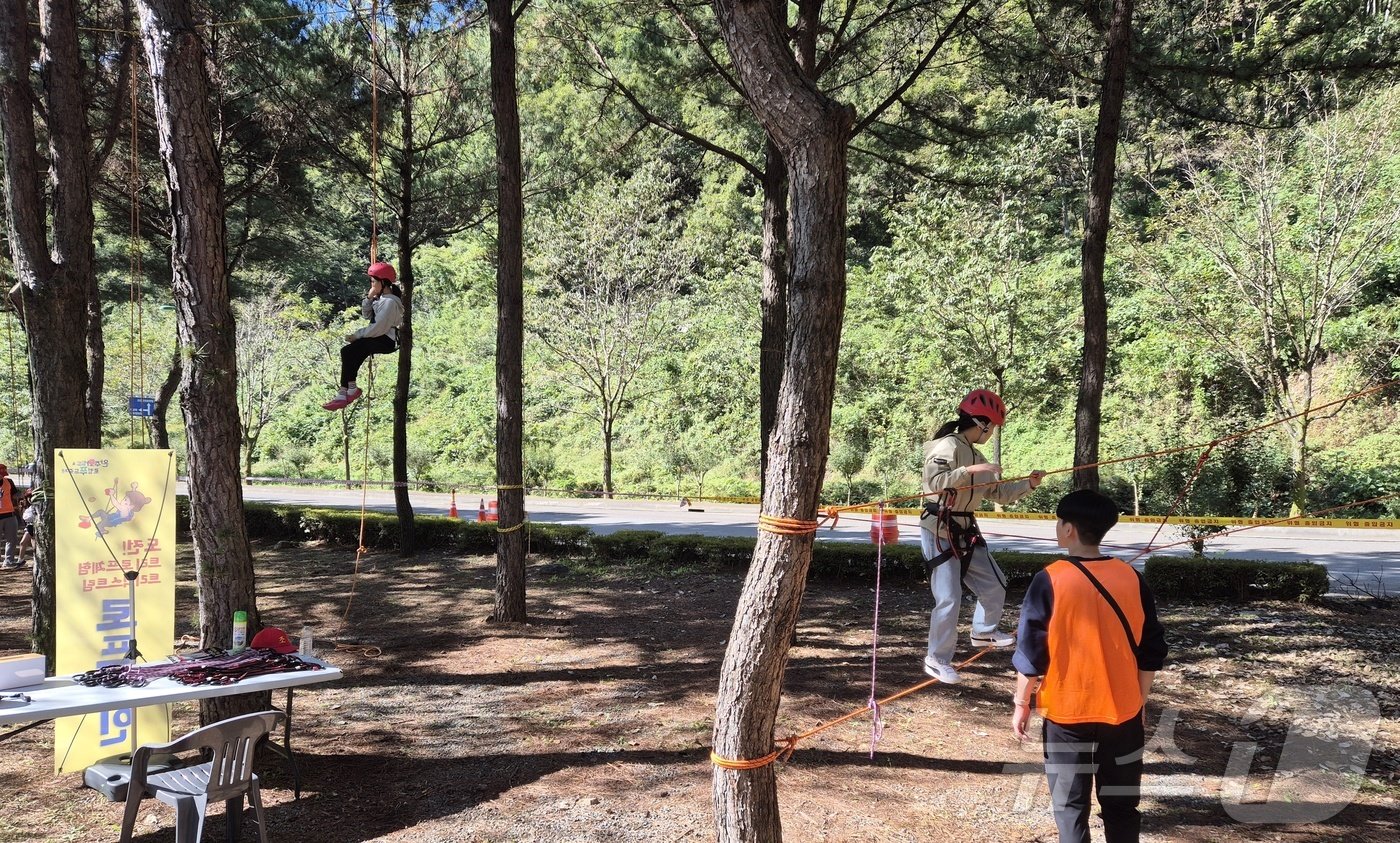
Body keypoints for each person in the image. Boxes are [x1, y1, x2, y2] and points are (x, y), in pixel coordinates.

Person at [1010, 489, 1169, 843]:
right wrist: (1138, 702)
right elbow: (1151, 650)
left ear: (1068, 529)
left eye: (1058, 522)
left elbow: (1031, 655)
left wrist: (1022, 703)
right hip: (1122, 710)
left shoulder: (1050, 579)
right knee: (1122, 806)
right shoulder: (1131, 577)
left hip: (1067, 712)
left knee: (1070, 807)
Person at [919, 388, 1044, 684]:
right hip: (939, 528)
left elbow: (998, 493)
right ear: (982, 423)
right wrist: (968, 470)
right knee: (949, 597)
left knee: (995, 583)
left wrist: (1029, 484)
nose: (992, 433)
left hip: (965, 529)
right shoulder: (947, 446)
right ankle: (936, 659)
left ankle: (983, 631)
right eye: (992, 427)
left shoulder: (979, 456)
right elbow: (933, 484)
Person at [324, 261, 404, 411]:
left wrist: (358, 335)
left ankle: (346, 391)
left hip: (386, 340)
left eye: (374, 282)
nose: (372, 285)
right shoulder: (381, 299)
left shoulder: (390, 302)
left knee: (349, 351)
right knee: (350, 354)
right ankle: (348, 389)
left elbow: (379, 327)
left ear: (384, 282)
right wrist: (369, 298)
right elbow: (367, 315)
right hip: (379, 337)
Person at [0, 464, 22, 569]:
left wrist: (20, 495)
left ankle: (9, 561)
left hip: (9, 514)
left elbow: (15, 494)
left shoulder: (8, 482)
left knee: (12, 540)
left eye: (3, 474)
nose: (2, 476)